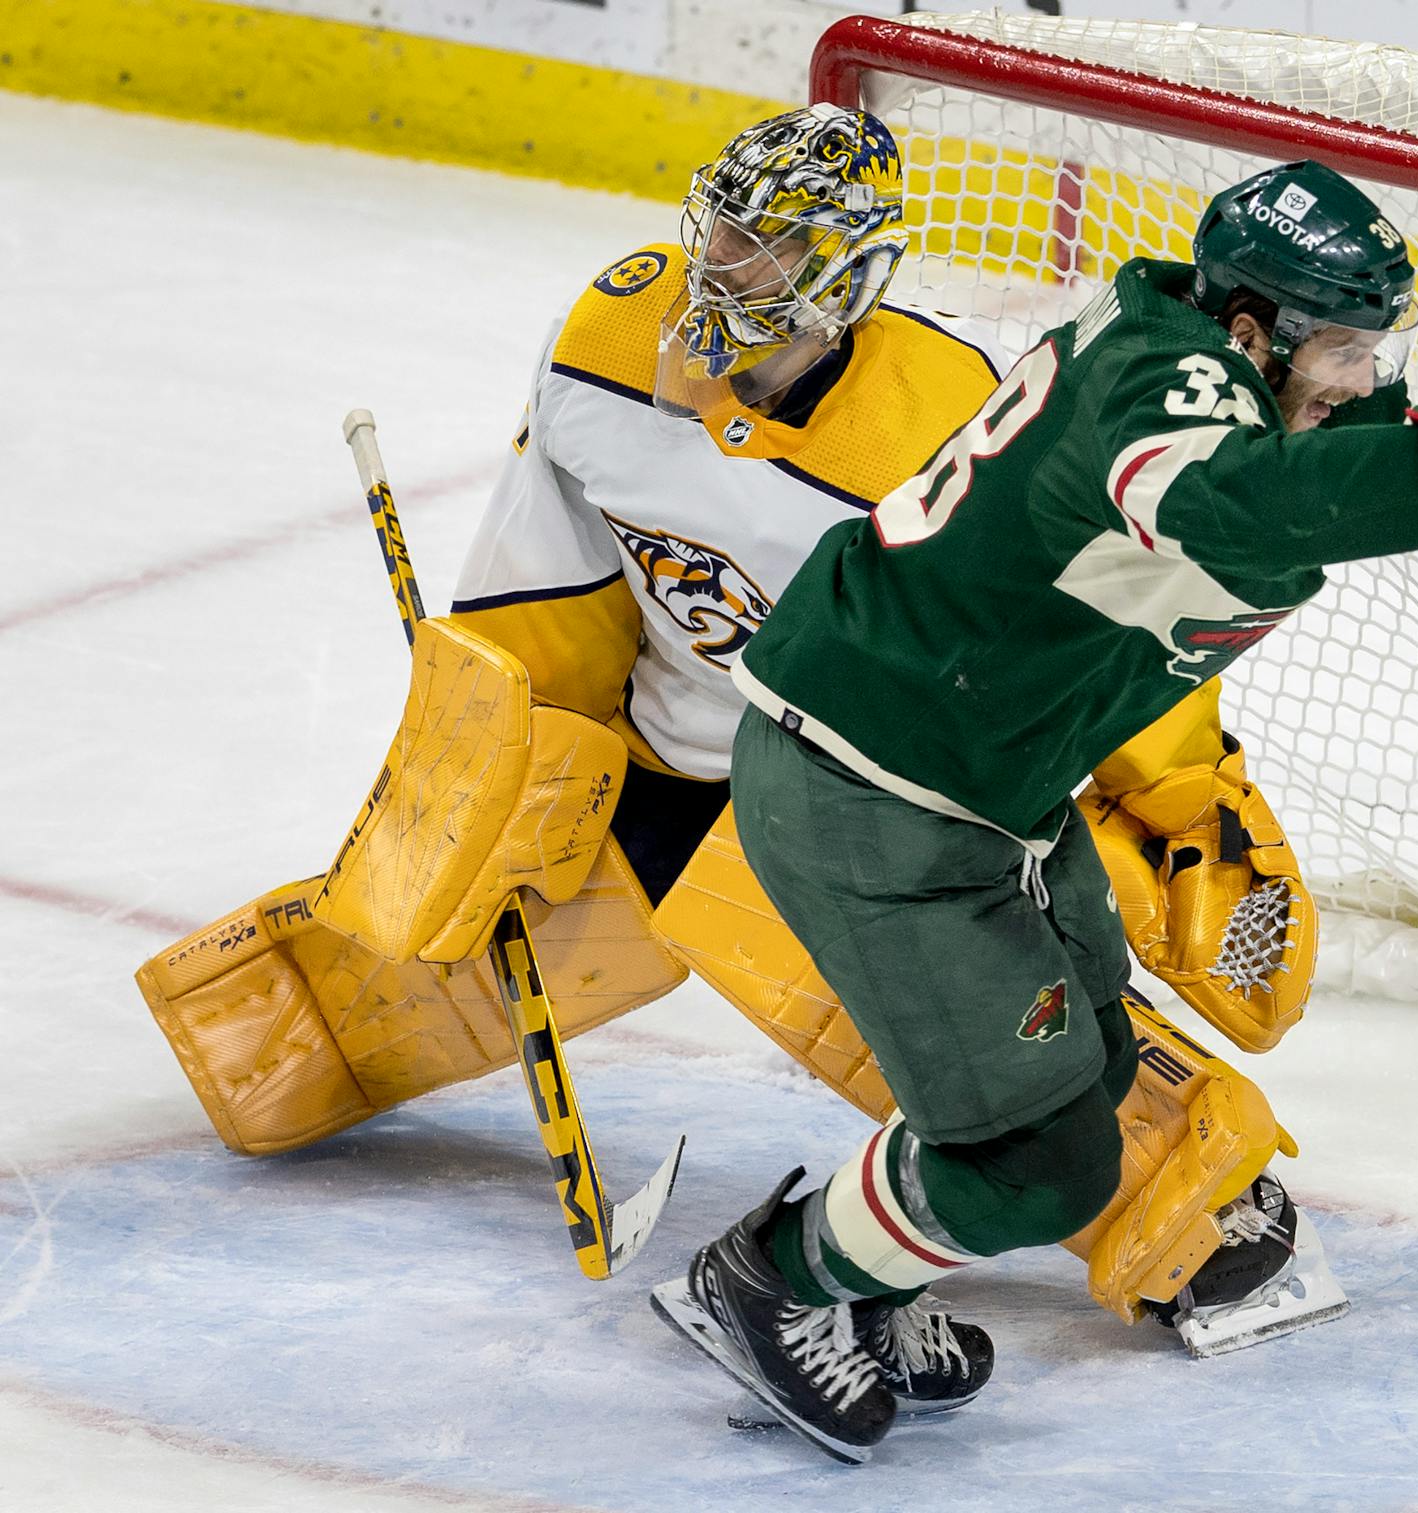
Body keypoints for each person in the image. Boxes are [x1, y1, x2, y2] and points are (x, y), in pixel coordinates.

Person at [134, 105, 1341, 1412]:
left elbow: (1080, 632)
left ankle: (1184, 1202)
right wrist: (490, 771)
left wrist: (1173, 793)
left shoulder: (949, 419)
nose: (728, 268)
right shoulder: (608, 343)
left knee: (1007, 1067)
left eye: (773, 252)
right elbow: (550, 592)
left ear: (851, 277)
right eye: (724, 230)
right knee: (301, 1023)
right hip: (644, 796)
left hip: (851, 815)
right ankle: (297, 1017)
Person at [682, 157, 1418, 1462]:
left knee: (1090, 1080)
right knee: (1037, 1165)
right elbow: (1230, 498)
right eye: (1345, 348)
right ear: (1254, 331)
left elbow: (1413, 500)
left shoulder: (1246, 388)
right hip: (870, 790)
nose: (1371, 379)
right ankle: (782, 1277)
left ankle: (864, 1261)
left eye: (1384, 347)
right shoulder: (1170, 390)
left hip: (988, 793)